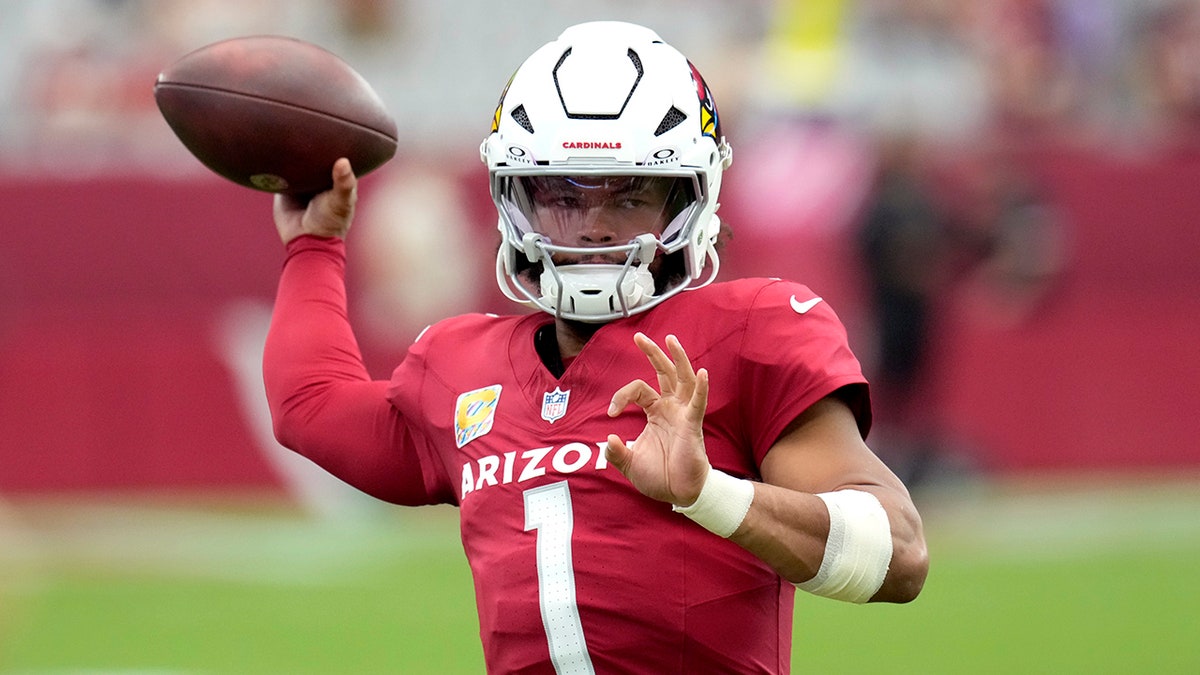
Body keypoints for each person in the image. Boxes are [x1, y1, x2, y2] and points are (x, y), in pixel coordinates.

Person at [265, 21, 927, 674]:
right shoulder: (459, 365)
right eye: (560, 194)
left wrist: (711, 494)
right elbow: (312, 406)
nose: (594, 224)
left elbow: (898, 553)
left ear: (691, 198)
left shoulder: (751, 330)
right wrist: (313, 245)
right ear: (513, 197)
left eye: (631, 193)